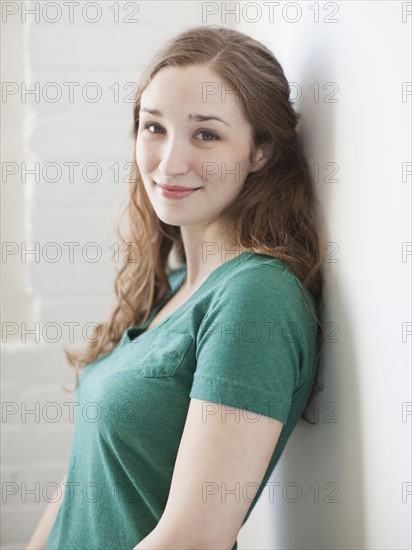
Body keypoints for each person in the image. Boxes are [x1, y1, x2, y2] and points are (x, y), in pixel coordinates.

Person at [27, 25, 325, 550]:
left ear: (261, 152)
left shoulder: (256, 298)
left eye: (206, 134)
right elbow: (86, 478)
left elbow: (194, 538)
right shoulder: (173, 284)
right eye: (154, 127)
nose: (170, 162)